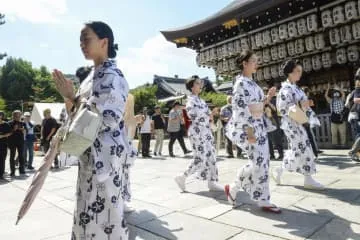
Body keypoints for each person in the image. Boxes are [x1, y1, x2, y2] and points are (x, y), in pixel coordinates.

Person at [52, 21, 136, 239]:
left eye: (86, 38)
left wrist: (73, 97)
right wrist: (69, 99)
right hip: (89, 156)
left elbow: (105, 118)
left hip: (105, 159)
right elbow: (76, 113)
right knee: (84, 213)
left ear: (104, 41)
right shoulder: (91, 76)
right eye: (80, 40)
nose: (81, 44)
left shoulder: (113, 75)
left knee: (105, 216)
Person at [224, 50, 281, 213]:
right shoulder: (240, 83)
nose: (257, 63)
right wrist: (249, 133)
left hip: (259, 126)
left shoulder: (253, 84)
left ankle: (236, 189)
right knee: (258, 162)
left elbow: (259, 105)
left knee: (263, 161)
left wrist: (268, 98)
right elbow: (241, 109)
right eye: (254, 61)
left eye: (257, 61)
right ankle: (261, 198)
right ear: (245, 63)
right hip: (249, 128)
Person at [273, 60, 324, 190]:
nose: (300, 74)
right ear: (290, 73)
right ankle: (308, 178)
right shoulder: (285, 89)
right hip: (291, 124)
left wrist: (307, 104)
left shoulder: (295, 87)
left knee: (297, 151)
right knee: (305, 148)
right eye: (297, 71)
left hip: (299, 122)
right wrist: (303, 104)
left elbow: (301, 104)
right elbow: (282, 108)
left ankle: (278, 171)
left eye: (300, 71)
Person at [175, 76, 223, 192]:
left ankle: (212, 182)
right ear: (192, 86)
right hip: (197, 131)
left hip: (205, 131)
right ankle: (182, 176)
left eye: (200, 83)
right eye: (197, 83)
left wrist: (211, 115)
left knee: (211, 155)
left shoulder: (201, 100)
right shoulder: (190, 101)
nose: (200, 85)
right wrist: (208, 116)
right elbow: (194, 116)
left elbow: (207, 116)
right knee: (200, 157)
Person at [264, 89, 285, 161]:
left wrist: (268, 103)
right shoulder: (262, 102)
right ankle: (271, 155)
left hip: (274, 121)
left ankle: (281, 154)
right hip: (266, 122)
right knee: (268, 140)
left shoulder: (275, 100)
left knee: (277, 138)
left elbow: (276, 109)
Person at [325, 83, 347, 148]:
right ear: (333, 95)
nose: (336, 95)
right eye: (335, 94)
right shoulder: (331, 101)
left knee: (343, 133)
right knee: (334, 134)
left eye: (337, 94)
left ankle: (343, 145)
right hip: (333, 119)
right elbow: (326, 96)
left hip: (341, 118)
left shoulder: (342, 99)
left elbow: (343, 94)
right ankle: (335, 145)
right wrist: (328, 88)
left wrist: (339, 89)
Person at [8, 110, 26, 177]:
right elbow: (8, 133)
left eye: (19, 115)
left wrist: (23, 130)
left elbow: (25, 131)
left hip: (20, 141)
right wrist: (14, 129)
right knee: (12, 156)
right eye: (16, 115)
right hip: (12, 141)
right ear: (13, 116)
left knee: (21, 155)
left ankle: (22, 170)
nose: (18, 117)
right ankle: (12, 171)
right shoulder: (9, 123)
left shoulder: (22, 123)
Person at [0, 111, 11, 179]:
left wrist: (3, 136)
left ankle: (1, 174)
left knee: (2, 159)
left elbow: (10, 133)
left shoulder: (6, 124)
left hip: (3, 144)